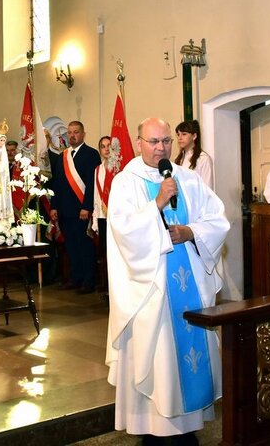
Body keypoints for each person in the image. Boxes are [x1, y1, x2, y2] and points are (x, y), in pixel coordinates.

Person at [107, 117, 229, 443]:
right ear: (139, 143)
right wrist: (158, 203)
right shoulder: (125, 182)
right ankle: (153, 433)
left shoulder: (187, 178)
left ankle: (187, 431)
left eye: (165, 141)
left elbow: (217, 219)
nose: (161, 148)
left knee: (187, 360)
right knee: (158, 358)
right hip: (151, 289)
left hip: (189, 286)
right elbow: (123, 232)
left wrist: (190, 232)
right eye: (153, 142)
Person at [47, 120, 100, 294]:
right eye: (69, 132)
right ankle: (75, 278)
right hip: (65, 210)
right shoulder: (63, 156)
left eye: (76, 132)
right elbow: (57, 184)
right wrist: (54, 206)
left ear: (83, 134)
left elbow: (92, 184)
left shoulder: (91, 154)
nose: (72, 135)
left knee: (85, 246)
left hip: (81, 210)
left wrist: (87, 207)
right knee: (71, 247)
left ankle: (88, 281)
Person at [91, 135, 112, 293]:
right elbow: (96, 196)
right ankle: (105, 285)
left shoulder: (117, 169)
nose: (106, 149)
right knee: (104, 252)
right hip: (102, 216)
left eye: (109, 146)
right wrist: (95, 218)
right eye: (103, 146)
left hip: (115, 217)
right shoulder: (97, 169)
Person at [174, 120, 214, 189]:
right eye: (178, 134)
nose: (180, 138)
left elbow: (207, 188)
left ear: (194, 136)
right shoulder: (177, 159)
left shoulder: (203, 159)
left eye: (184, 134)